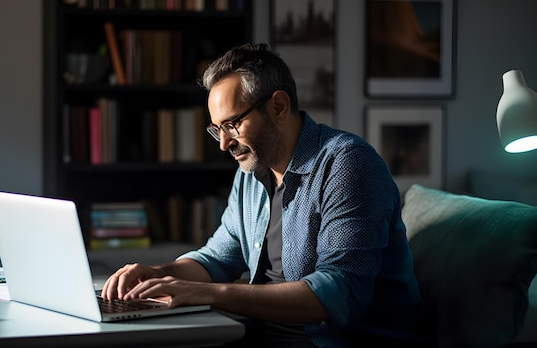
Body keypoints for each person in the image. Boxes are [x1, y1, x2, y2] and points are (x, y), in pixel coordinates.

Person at [101, 43, 428, 347]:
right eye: (217, 129)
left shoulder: (349, 164)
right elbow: (217, 258)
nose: (223, 144)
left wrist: (207, 293)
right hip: (262, 334)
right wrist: (156, 275)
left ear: (279, 106)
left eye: (232, 125)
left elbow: (339, 293)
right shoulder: (251, 175)